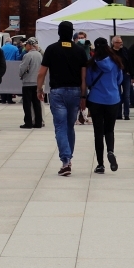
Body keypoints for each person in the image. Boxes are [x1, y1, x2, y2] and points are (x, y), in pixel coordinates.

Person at [37, 20, 88, 176]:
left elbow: (41, 72)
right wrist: (84, 95)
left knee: (60, 126)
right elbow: (84, 76)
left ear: (58, 33)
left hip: (57, 92)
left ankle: (66, 160)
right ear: (72, 33)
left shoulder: (51, 49)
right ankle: (68, 158)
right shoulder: (80, 51)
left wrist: (39, 89)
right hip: (75, 92)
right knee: (69, 126)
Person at [86, 37, 124, 172]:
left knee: (98, 132)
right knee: (109, 129)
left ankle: (100, 164)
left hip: (96, 99)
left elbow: (89, 82)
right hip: (113, 99)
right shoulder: (116, 61)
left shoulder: (92, 64)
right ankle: (111, 151)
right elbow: (119, 80)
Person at [18, 39, 44, 129]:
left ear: (29, 45)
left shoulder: (27, 55)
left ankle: (28, 122)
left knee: (27, 104)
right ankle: (38, 122)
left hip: (28, 82)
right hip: (37, 82)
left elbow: (23, 67)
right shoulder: (39, 55)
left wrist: (20, 75)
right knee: (36, 103)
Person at [112, 36, 132, 123]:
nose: (121, 44)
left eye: (121, 42)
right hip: (115, 75)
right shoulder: (111, 52)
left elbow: (129, 61)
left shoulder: (124, 50)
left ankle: (126, 113)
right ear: (114, 43)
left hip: (125, 74)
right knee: (118, 94)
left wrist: (130, 73)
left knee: (126, 95)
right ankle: (118, 114)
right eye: (119, 42)